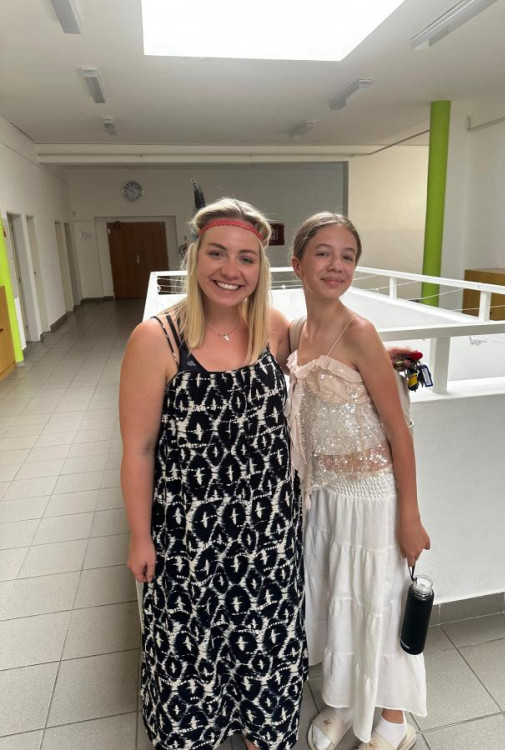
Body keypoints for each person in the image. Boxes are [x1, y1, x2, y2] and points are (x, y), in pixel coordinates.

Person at [120, 198, 307, 750]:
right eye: (217, 254)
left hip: (268, 530)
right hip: (189, 535)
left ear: (260, 268)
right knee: (190, 648)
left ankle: (261, 732)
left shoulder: (272, 327)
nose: (231, 270)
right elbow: (138, 449)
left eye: (246, 258)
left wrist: (381, 356)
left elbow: (327, 358)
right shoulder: (157, 339)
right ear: (194, 257)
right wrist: (140, 536)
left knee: (265, 641)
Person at [286, 213, 430, 750]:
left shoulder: (361, 332)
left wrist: (410, 517)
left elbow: (399, 430)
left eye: (347, 256)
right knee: (335, 598)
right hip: (322, 493)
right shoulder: (295, 331)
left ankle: (394, 719)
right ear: (297, 263)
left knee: (378, 602)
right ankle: (344, 704)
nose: (336, 265)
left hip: (371, 495)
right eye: (323, 253)